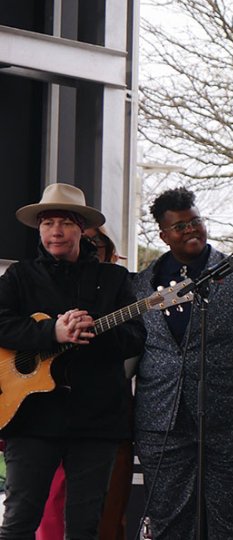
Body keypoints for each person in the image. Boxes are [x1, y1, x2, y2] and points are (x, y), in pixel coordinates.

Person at [133, 188, 233, 539]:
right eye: (180, 225)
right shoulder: (143, 284)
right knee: (168, 521)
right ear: (163, 234)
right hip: (162, 419)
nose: (191, 230)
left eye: (196, 221)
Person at [0, 183, 145, 538]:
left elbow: (136, 336)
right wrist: (52, 333)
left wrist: (92, 332)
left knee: (84, 526)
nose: (56, 231)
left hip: (95, 421)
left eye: (64, 222)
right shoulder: (19, 276)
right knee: (19, 520)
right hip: (30, 417)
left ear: (83, 227)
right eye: (48, 223)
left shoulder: (114, 279)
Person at [37, 225, 134, 540]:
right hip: (52, 416)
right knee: (50, 507)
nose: (90, 246)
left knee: (103, 514)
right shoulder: (42, 283)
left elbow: (135, 354)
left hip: (105, 420)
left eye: (97, 241)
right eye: (87, 240)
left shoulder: (123, 290)